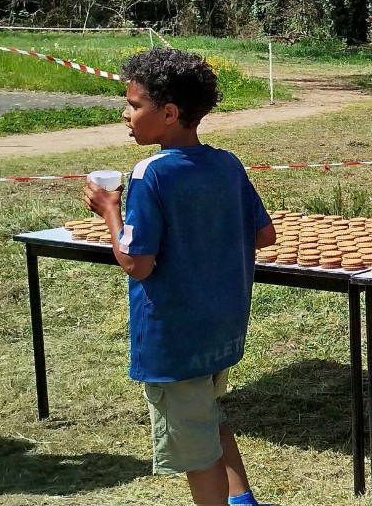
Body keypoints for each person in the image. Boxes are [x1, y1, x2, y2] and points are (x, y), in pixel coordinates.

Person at [82, 47, 276, 506]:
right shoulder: (227, 163)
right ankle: (242, 500)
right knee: (206, 416)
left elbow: (137, 263)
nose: (125, 115)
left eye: (133, 105)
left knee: (195, 450)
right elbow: (264, 234)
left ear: (168, 113)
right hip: (221, 328)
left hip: (175, 338)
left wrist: (109, 211)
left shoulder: (150, 174)